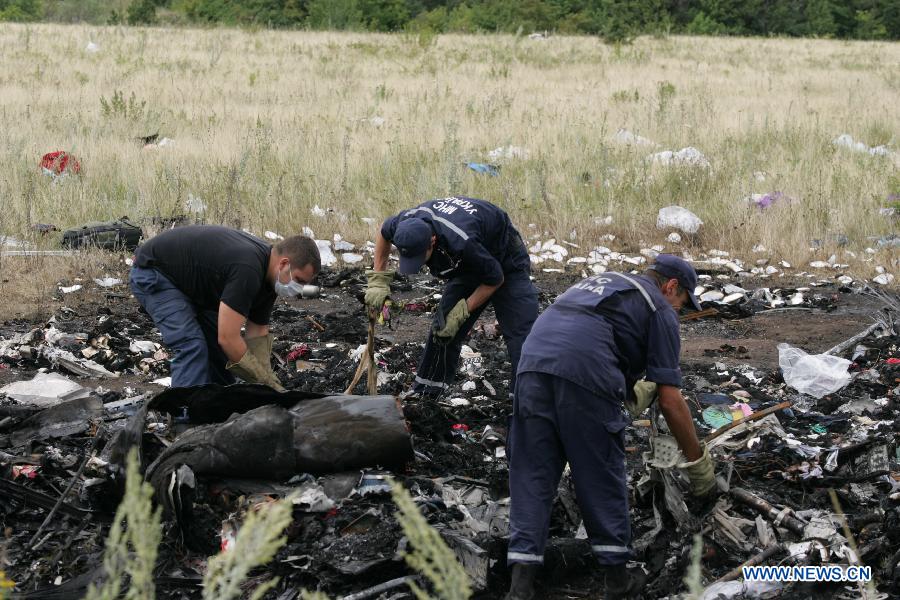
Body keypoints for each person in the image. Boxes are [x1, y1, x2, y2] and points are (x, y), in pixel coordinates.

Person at [504, 254, 716, 600]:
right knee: (599, 470)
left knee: (532, 473)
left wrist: (623, 386)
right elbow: (671, 400)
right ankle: (618, 580)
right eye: (681, 303)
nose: (678, 310)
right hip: (585, 372)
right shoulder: (658, 307)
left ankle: (521, 585)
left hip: (531, 366)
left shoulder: (605, 283)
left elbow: (585, 331)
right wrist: (697, 462)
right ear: (671, 286)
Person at [365, 196, 538, 398]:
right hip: (466, 263)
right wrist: (378, 280)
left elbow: (495, 279)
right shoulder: (405, 223)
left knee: (522, 334)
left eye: (420, 258)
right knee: (443, 329)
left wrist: (461, 312)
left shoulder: (463, 241)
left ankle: (526, 399)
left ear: (432, 241)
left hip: (505, 259)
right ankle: (427, 393)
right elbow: (384, 232)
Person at [130, 225, 320, 390]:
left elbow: (257, 333)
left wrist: (267, 379)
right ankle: (185, 418)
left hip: (194, 288)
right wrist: (261, 379)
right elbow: (228, 338)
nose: (299, 289)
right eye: (299, 281)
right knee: (192, 345)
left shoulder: (270, 278)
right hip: (155, 273)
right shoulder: (248, 269)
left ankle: (219, 409)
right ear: (284, 264)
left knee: (219, 354)